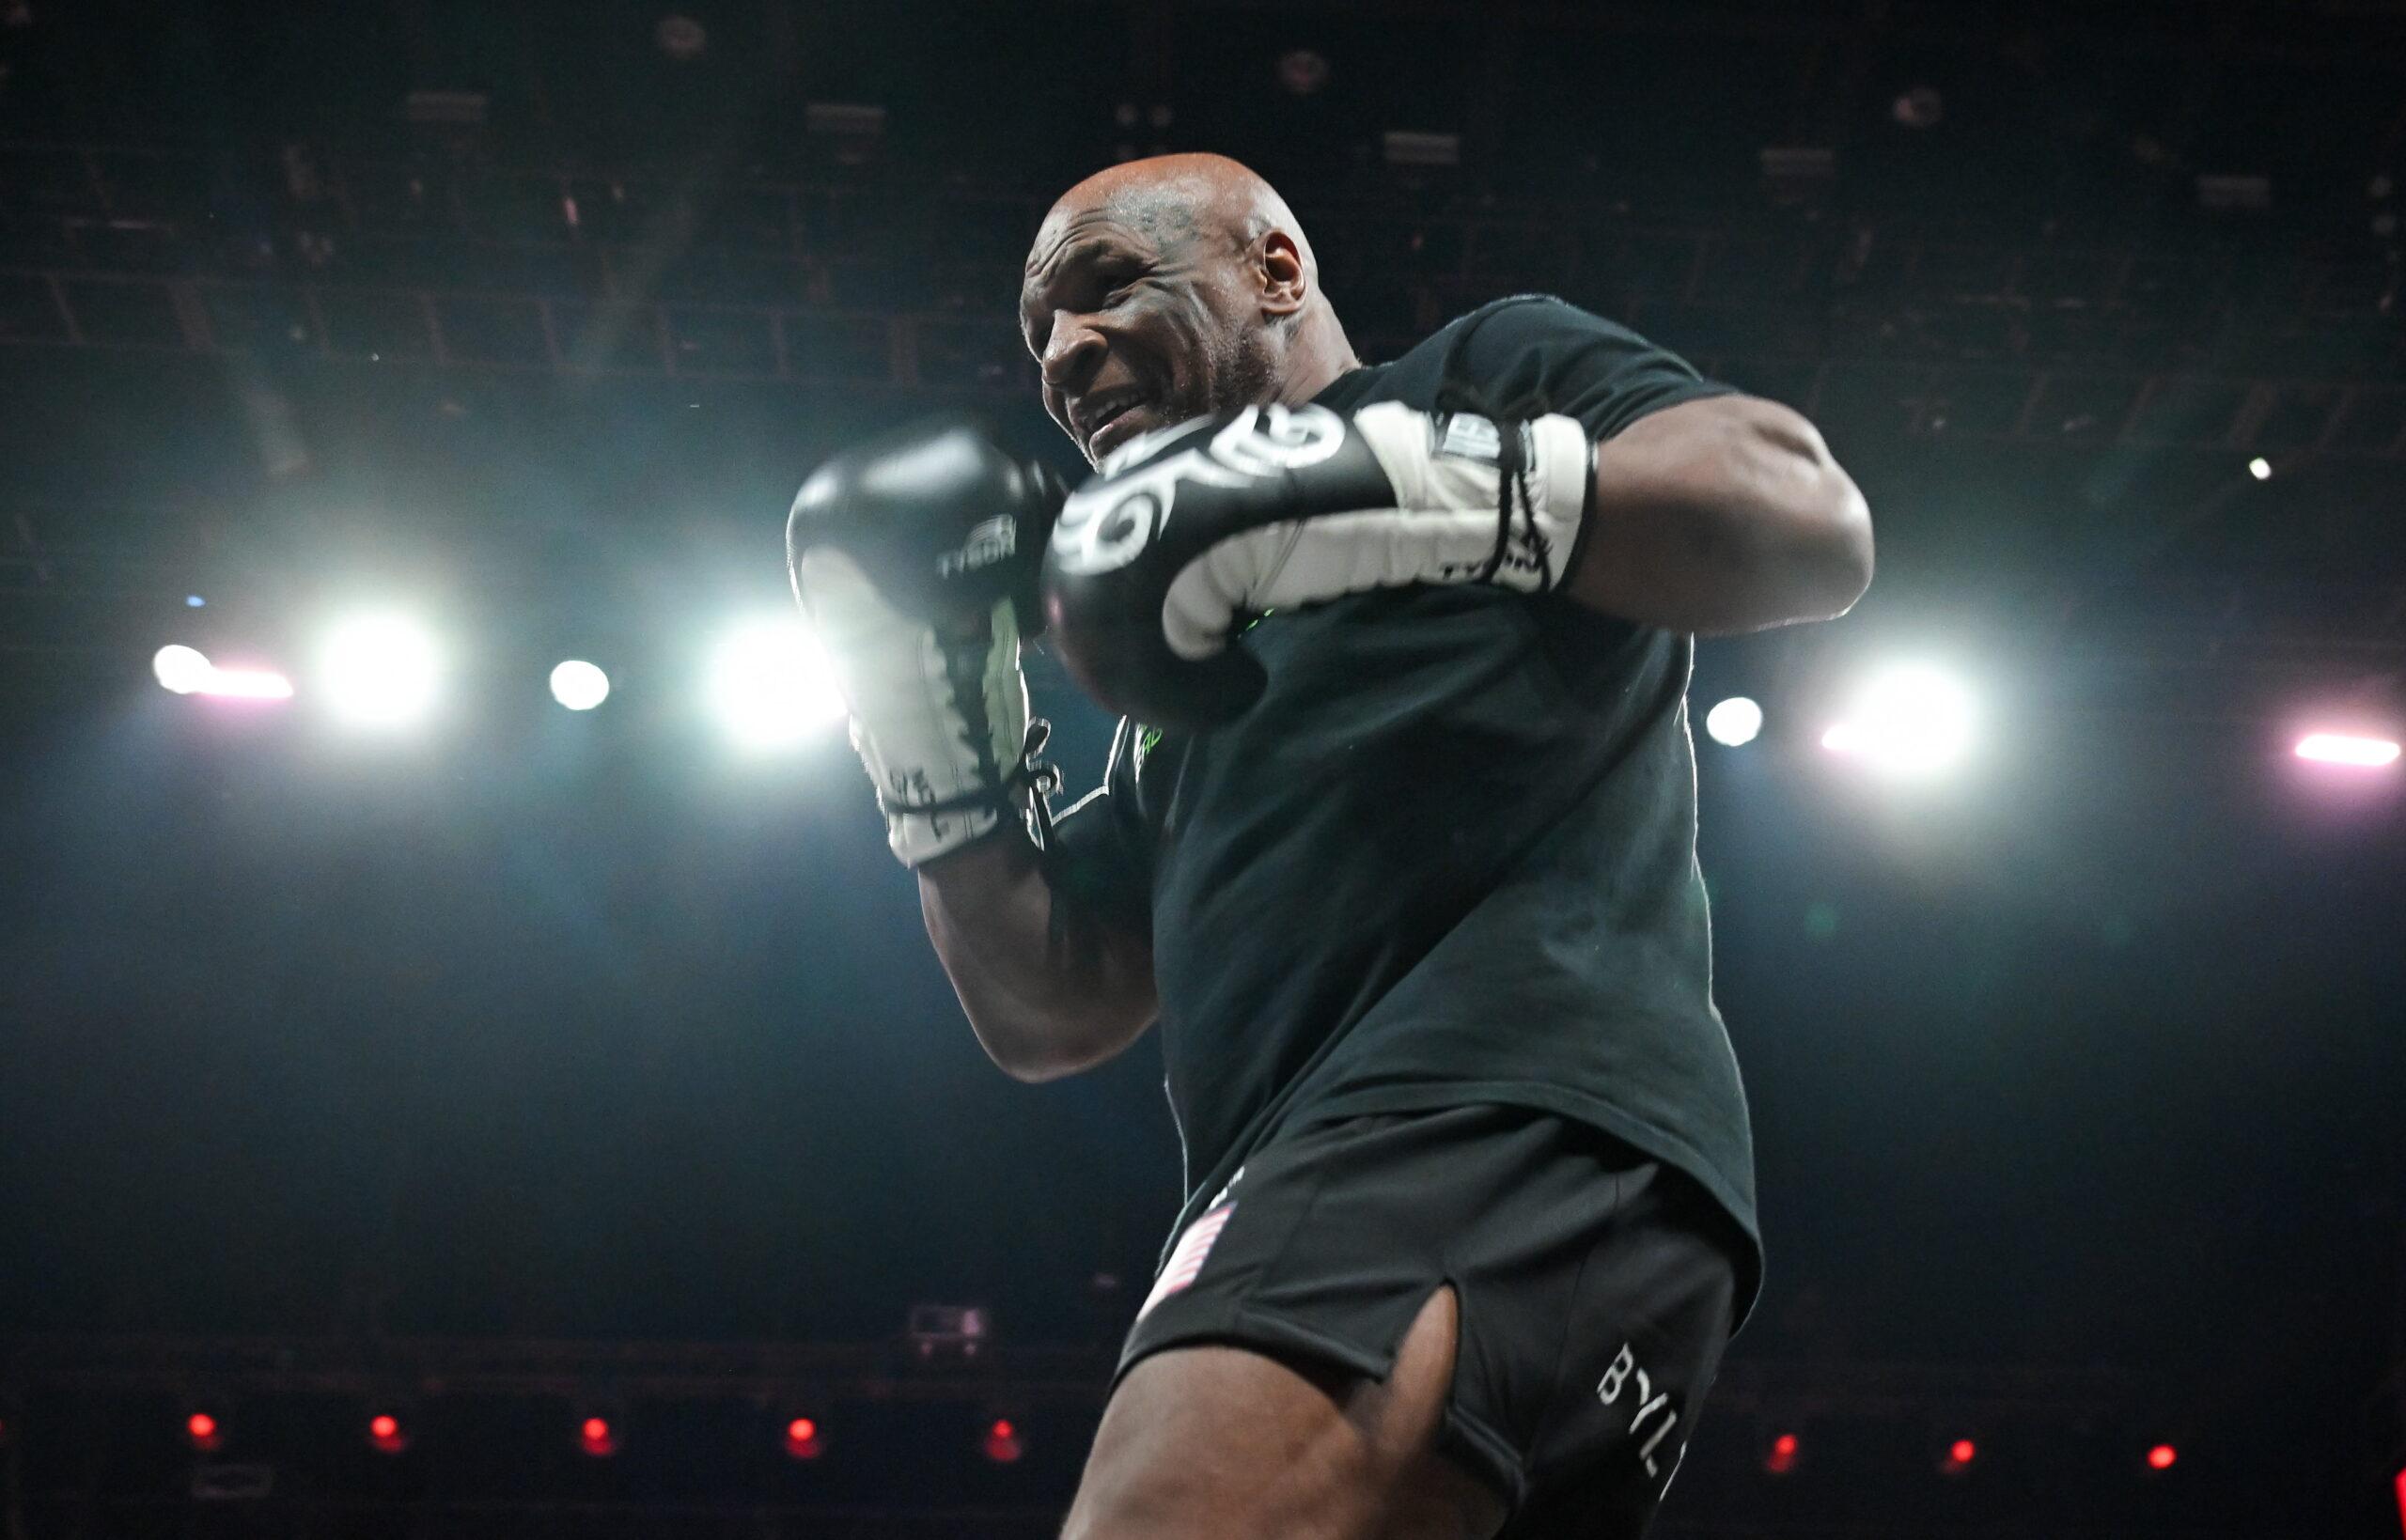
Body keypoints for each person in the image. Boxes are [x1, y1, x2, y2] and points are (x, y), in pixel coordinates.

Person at [788, 153, 1873, 1540]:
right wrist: (932, 743)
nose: (1063, 354)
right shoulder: (1169, 695)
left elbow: (1804, 519)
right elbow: (1048, 1009)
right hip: (1490, 1201)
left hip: (1481, 1113)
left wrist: (1374, 487)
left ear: (1276, 270)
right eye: (1039, 332)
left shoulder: (1481, 371)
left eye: (1107, 287)